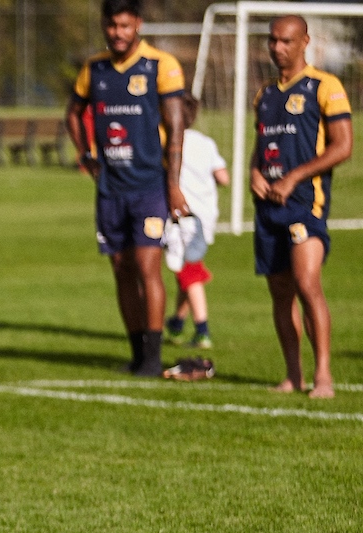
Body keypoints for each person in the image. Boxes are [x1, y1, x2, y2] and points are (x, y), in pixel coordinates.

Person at [65, 0, 187, 377]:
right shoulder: (95, 68)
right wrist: (86, 154)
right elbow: (72, 112)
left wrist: (174, 184)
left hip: (150, 185)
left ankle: (152, 358)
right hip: (110, 188)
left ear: (139, 24)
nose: (118, 33)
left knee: (148, 265)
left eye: (125, 25)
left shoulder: (160, 66)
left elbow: (176, 129)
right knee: (121, 268)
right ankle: (136, 353)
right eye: (111, 26)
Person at [251, 15, 352, 399]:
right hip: (268, 208)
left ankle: (323, 374)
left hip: (306, 204)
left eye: (287, 41)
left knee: (308, 284)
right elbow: (259, 147)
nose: (278, 48)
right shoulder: (265, 94)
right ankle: (293, 375)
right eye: (273, 41)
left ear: (305, 41)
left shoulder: (325, 86)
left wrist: (294, 177)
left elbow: (343, 146)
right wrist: (253, 173)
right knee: (280, 292)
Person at [165, 92, 229, 350]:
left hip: (183, 219)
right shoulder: (206, 142)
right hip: (206, 217)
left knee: (190, 273)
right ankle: (177, 323)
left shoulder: (169, 144)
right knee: (186, 269)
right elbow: (223, 177)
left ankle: (202, 330)